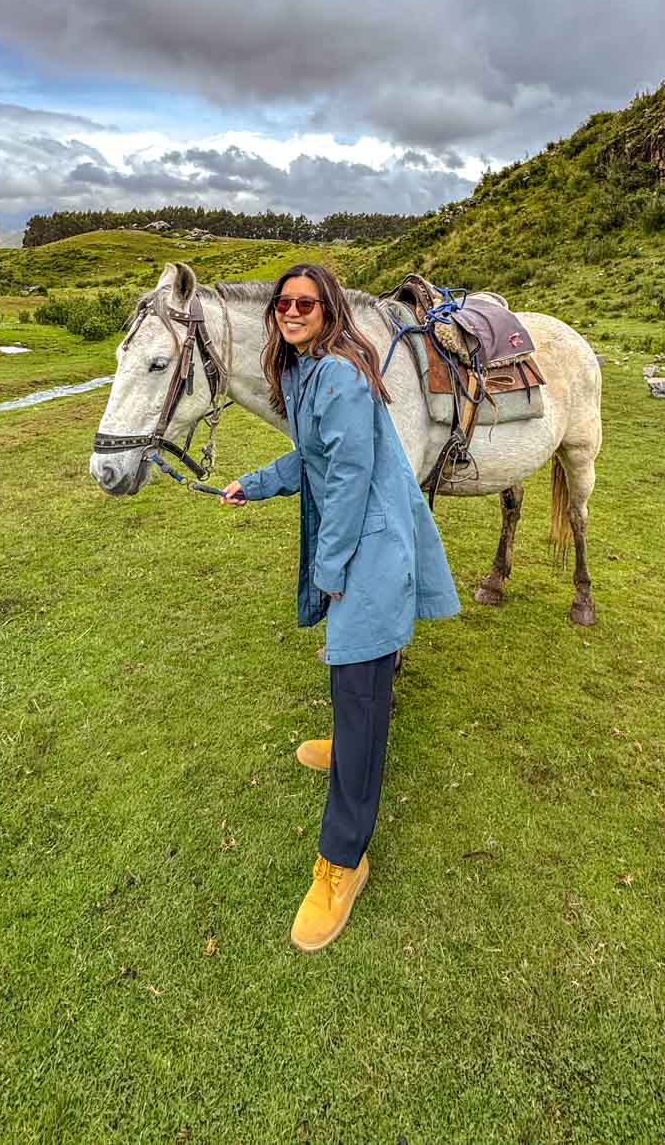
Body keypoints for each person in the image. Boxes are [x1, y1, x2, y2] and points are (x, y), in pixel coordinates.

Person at [220, 262, 460, 952]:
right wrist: (258, 482)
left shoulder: (345, 376)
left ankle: (343, 861)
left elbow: (351, 477)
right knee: (358, 682)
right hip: (357, 543)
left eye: (306, 302)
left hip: (372, 548)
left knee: (359, 677)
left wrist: (330, 571)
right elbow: (313, 458)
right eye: (283, 302)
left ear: (327, 310)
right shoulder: (303, 370)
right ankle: (352, 744)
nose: (291, 311)